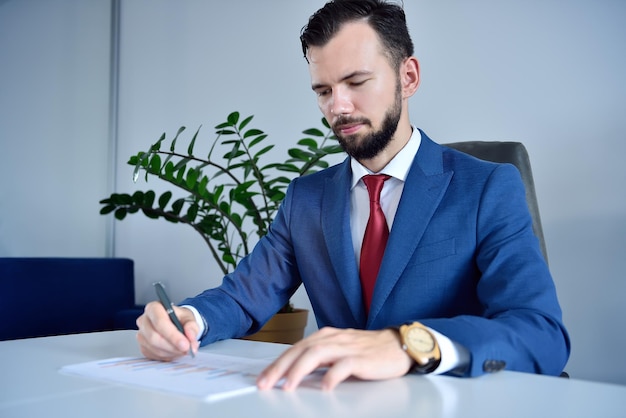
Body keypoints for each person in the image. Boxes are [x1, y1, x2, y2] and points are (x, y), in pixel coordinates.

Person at [136, 0, 570, 391]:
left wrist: (406, 345)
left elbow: (540, 332)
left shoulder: (488, 187)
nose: (337, 107)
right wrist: (189, 321)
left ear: (409, 76)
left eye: (356, 82)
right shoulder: (305, 199)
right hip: (336, 404)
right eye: (323, 91)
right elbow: (241, 296)